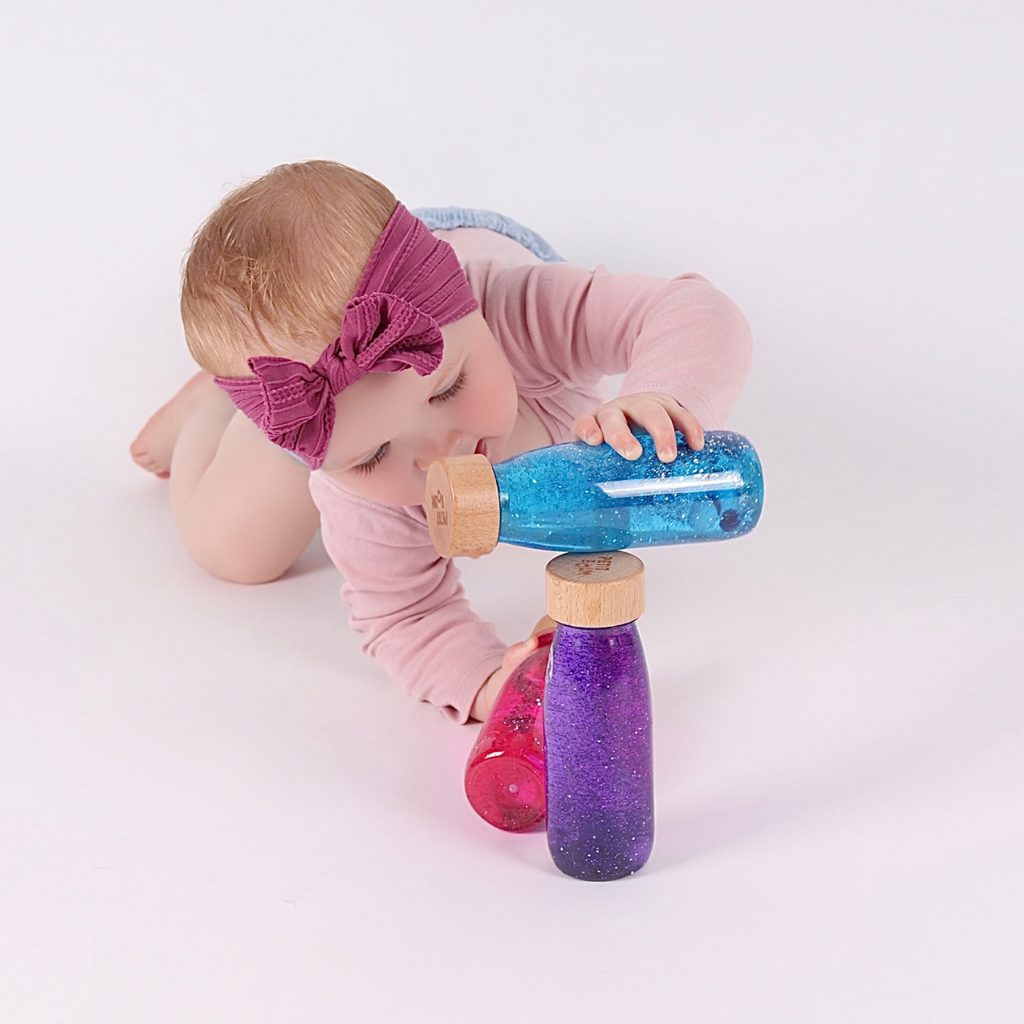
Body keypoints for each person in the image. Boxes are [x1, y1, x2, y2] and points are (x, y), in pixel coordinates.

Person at [131, 160, 752, 724]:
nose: (437, 455)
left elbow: (692, 310)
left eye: (448, 388)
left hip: (458, 256)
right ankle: (210, 405)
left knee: (404, 408)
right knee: (236, 554)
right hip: (304, 382)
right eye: (375, 455)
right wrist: (487, 679)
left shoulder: (514, 310)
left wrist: (662, 397)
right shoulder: (359, 488)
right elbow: (408, 616)